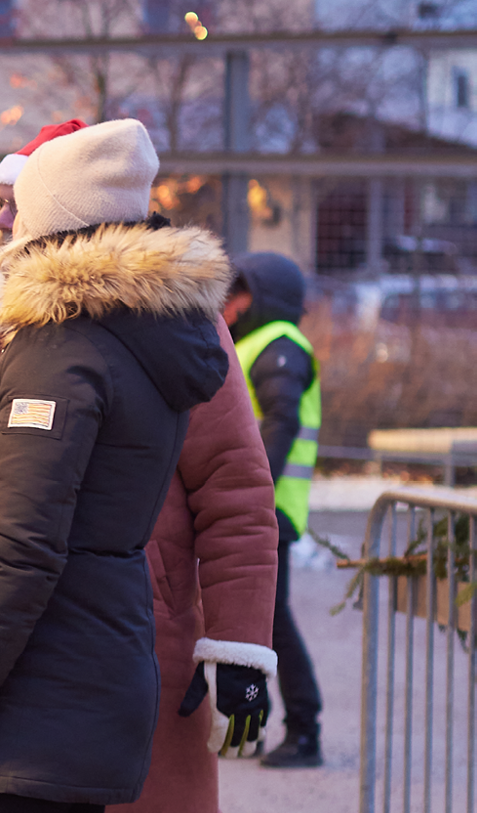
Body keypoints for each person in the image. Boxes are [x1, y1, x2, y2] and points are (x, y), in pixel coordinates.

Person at [0, 122, 281, 812]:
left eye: (17, 202)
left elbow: (235, 490)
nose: (2, 218)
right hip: (21, 656)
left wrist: (238, 645)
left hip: (121, 644)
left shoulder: (122, 337)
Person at [224, 251, 325, 768]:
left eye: (239, 293)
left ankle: (304, 731)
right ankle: (251, 727)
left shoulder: (279, 345)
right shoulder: (258, 345)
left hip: (269, 511)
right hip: (260, 509)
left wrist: (251, 494)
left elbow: (281, 422)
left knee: (271, 623)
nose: (230, 304)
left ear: (263, 299)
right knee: (258, 623)